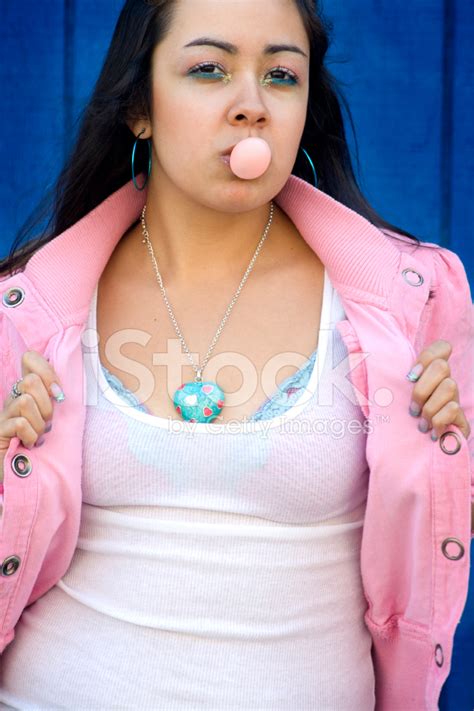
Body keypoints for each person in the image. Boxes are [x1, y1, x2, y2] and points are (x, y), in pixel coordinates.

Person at [0, 0, 472, 708]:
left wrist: (458, 448)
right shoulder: (25, 315)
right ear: (140, 109)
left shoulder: (414, 307)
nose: (252, 104)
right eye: (209, 69)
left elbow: (442, 533)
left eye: (281, 76)